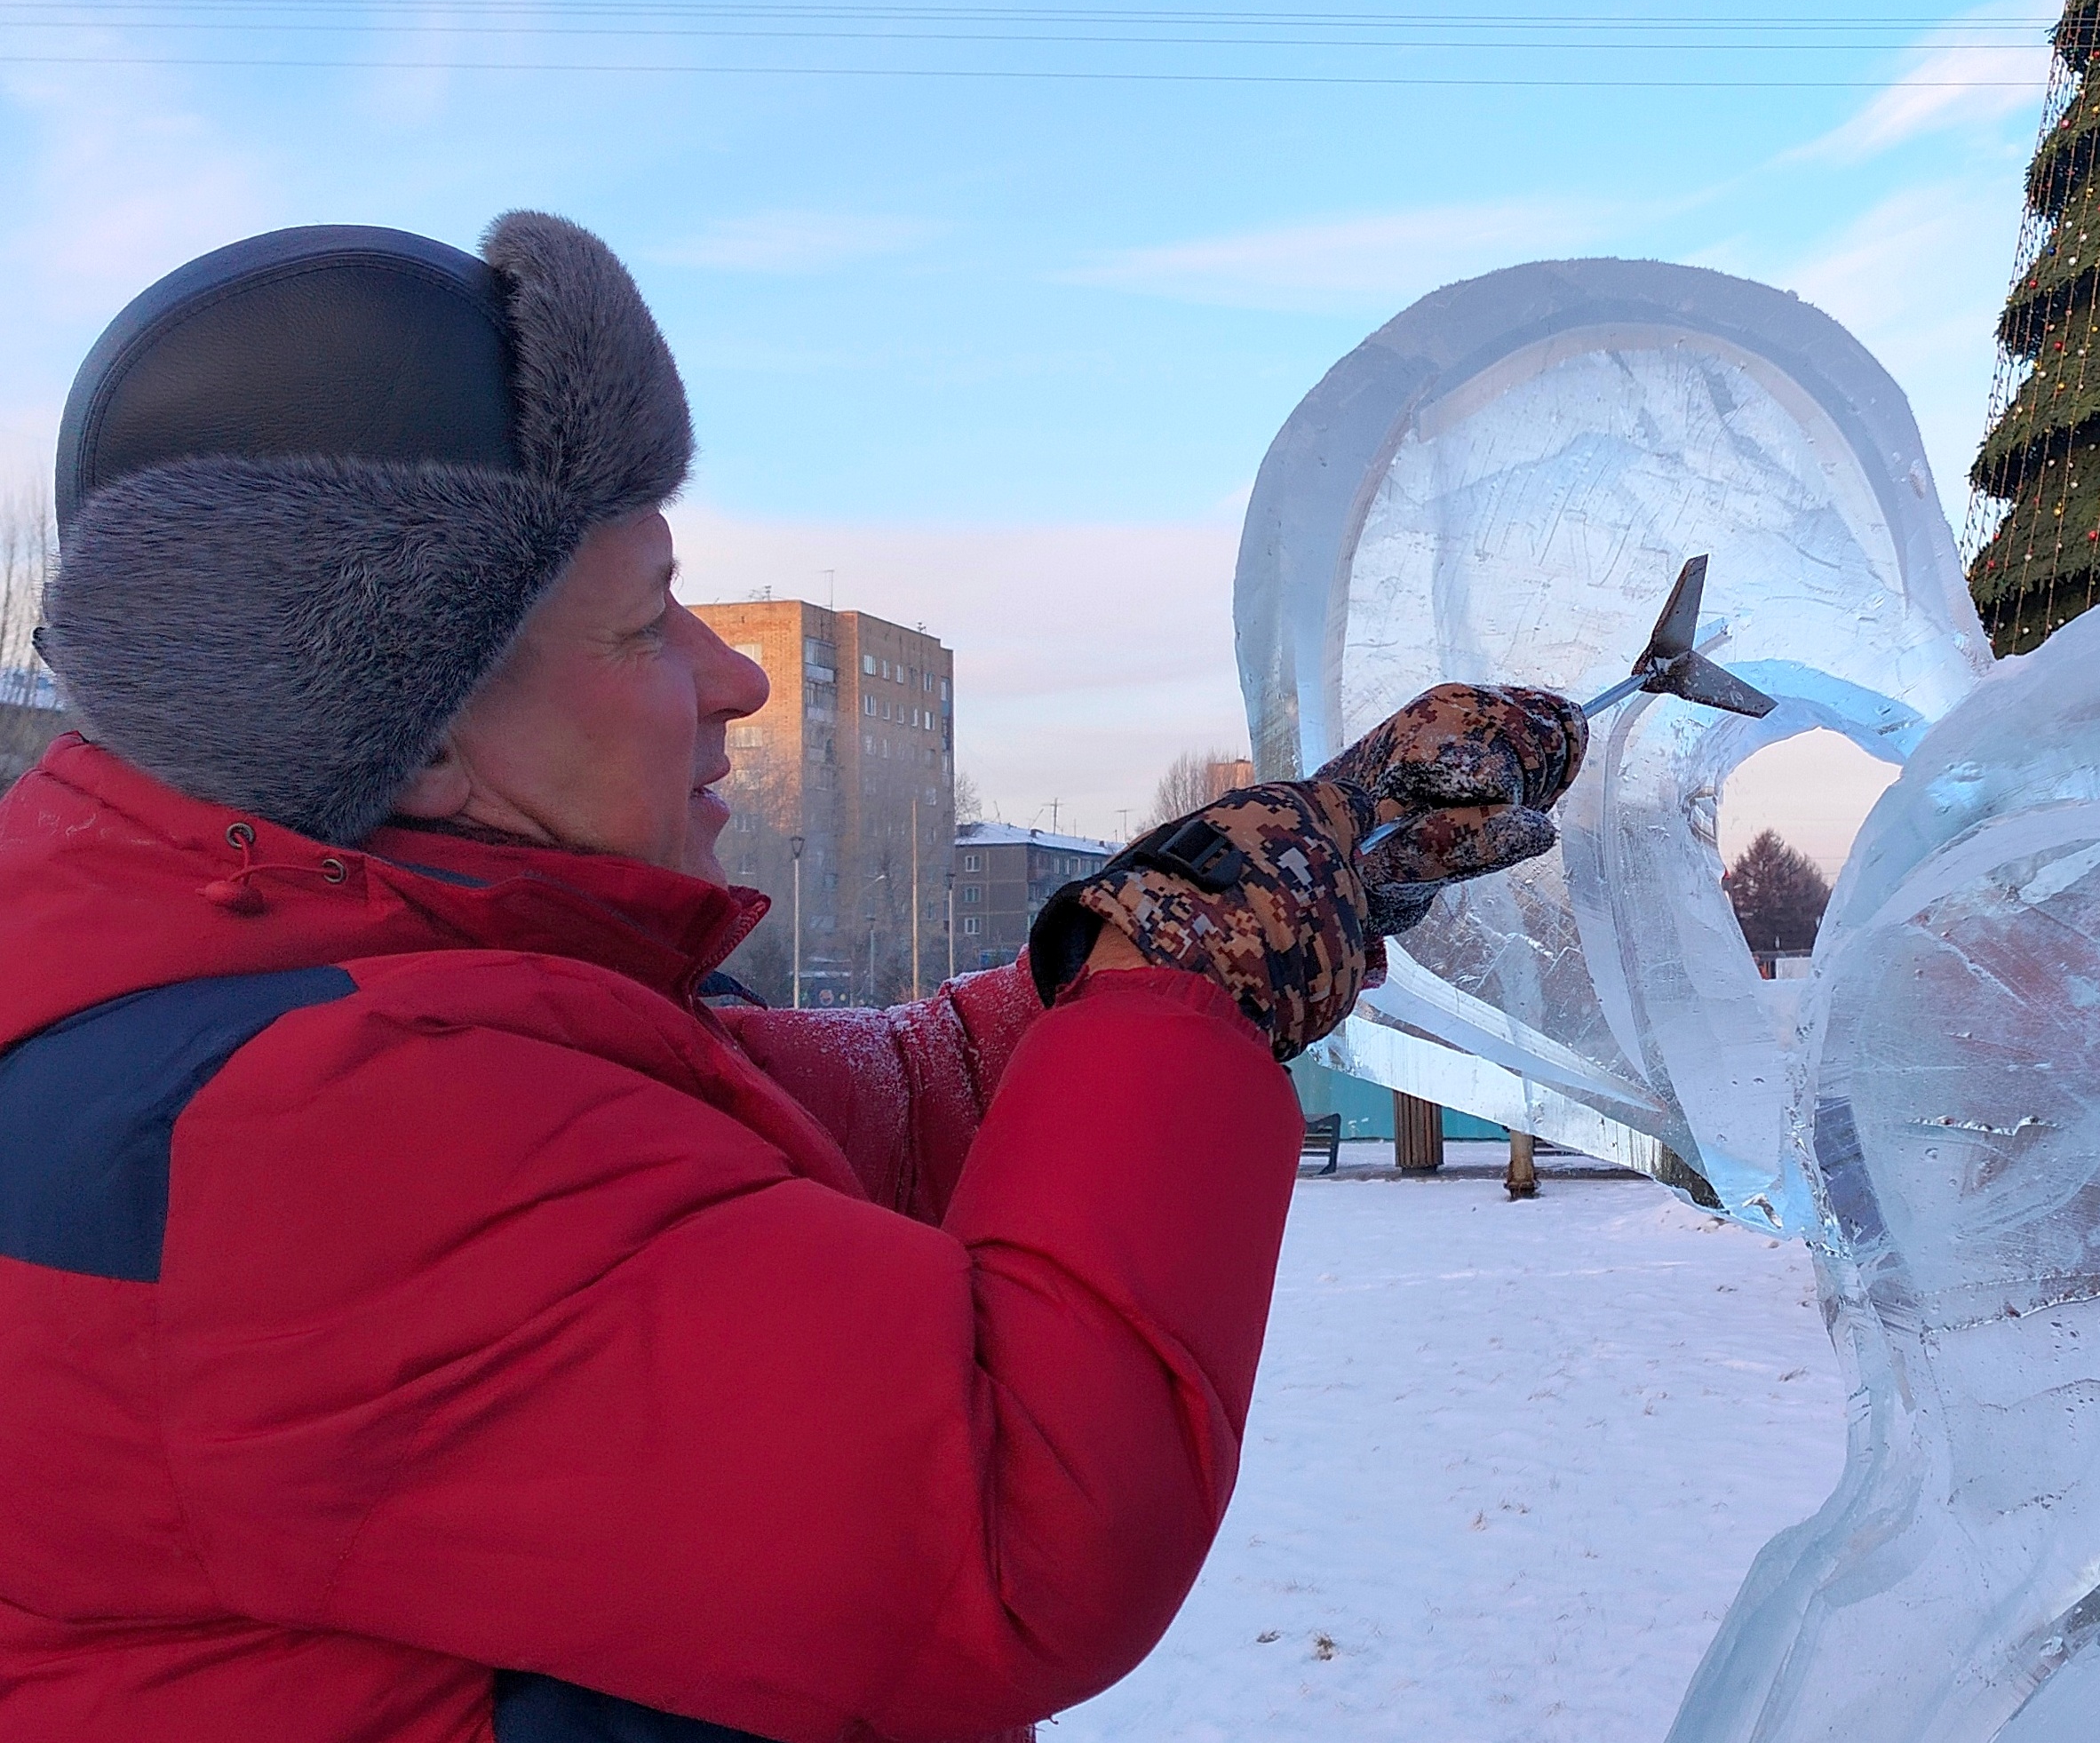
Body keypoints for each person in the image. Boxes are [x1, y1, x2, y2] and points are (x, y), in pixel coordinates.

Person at [0, 215, 1584, 1742]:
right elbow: (1007, 1523)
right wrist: (1175, 993)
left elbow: (808, 1151)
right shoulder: (295, 1127)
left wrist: (1175, 928)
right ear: (407, 726)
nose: (735, 677)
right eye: (641, 630)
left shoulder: (283, 977)